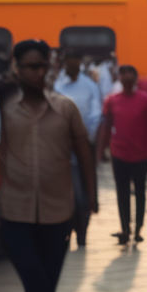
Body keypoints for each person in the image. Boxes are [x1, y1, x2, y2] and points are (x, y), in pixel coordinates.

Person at [0, 40, 96, 292]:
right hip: (15, 212)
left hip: (58, 212)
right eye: (30, 67)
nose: (37, 73)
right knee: (36, 282)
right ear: (17, 70)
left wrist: (91, 196)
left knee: (46, 286)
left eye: (41, 66)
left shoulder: (65, 108)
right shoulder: (5, 111)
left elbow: (84, 150)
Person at [98, 65, 147, 246]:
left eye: (131, 74)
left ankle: (138, 228)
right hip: (119, 153)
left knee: (140, 192)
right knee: (122, 192)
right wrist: (103, 149)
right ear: (119, 79)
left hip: (141, 154)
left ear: (136, 78)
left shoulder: (145, 100)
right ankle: (125, 228)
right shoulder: (112, 101)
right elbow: (106, 126)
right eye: (124, 74)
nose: (127, 77)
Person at [53, 50, 102, 248]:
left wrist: (85, 137)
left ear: (80, 63)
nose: (71, 65)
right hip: (62, 146)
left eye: (75, 62)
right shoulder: (59, 85)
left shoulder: (89, 86)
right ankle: (68, 231)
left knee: (85, 194)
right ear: (65, 64)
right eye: (68, 62)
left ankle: (82, 233)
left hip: (84, 144)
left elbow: (96, 114)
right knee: (69, 194)